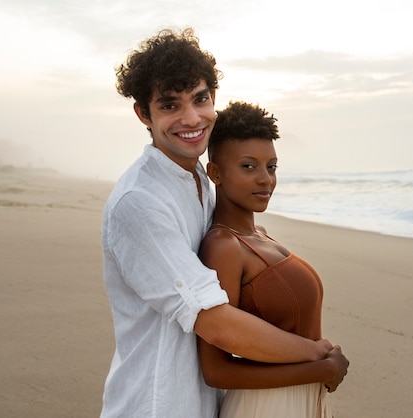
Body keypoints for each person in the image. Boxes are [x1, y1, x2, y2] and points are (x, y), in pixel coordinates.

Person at [101, 28, 339, 418]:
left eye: (200, 99)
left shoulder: (199, 182)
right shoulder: (140, 201)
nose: (191, 118)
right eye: (170, 105)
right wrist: (319, 356)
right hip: (157, 403)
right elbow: (214, 321)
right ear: (144, 113)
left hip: (207, 405)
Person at [198, 101, 349, 418]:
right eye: (249, 166)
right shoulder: (224, 246)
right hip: (265, 407)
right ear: (215, 172)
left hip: (301, 400)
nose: (266, 179)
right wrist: (320, 370)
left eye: (272, 166)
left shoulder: (260, 234)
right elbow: (216, 370)